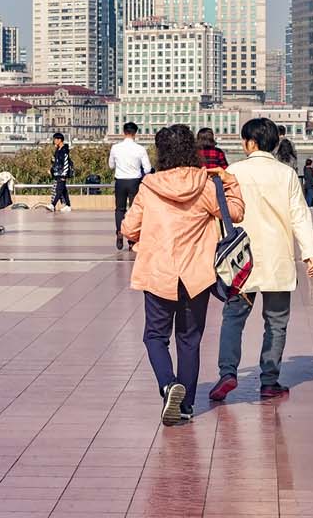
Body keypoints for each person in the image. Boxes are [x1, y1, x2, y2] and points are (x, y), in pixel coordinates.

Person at [121, 124, 245, 425]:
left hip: (159, 273)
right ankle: (187, 405)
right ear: (191, 149)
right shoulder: (206, 184)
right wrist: (231, 182)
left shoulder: (149, 187)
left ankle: (167, 384)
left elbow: (128, 228)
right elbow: (237, 213)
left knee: (155, 336)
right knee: (189, 340)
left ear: (161, 152)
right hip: (196, 276)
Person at [209, 118, 313, 402]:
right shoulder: (286, 174)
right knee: (276, 322)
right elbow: (299, 215)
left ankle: (228, 374)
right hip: (277, 259)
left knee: (233, 318)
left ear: (251, 142)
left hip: (240, 262)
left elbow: (222, 213)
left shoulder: (233, 172)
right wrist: (310, 253)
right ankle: (269, 380)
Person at [109, 121, 152, 251]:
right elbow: (148, 168)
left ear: (124, 132)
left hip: (120, 181)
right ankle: (132, 239)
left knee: (120, 209)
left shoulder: (115, 148)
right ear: (135, 133)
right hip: (135, 182)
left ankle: (119, 232)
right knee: (134, 210)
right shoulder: (140, 149)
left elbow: (111, 165)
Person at [50, 132, 74, 212]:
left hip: (62, 173)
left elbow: (66, 163)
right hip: (57, 173)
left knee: (59, 190)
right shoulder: (57, 150)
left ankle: (52, 205)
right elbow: (55, 161)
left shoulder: (64, 150)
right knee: (63, 190)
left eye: (55, 139)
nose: (54, 141)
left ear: (60, 140)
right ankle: (68, 205)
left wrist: (64, 174)